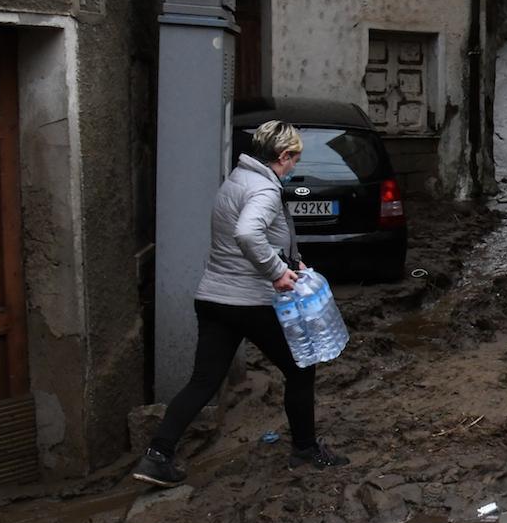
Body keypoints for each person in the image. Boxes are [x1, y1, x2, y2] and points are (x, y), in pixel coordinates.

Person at [132, 120, 351, 486]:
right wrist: (277, 272)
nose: (295, 165)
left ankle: (157, 456)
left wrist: (289, 262)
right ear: (282, 156)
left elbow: (245, 238)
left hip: (214, 298)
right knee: (300, 369)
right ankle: (305, 449)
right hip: (249, 303)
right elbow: (247, 233)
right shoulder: (264, 189)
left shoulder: (237, 180)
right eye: (294, 158)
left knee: (203, 382)